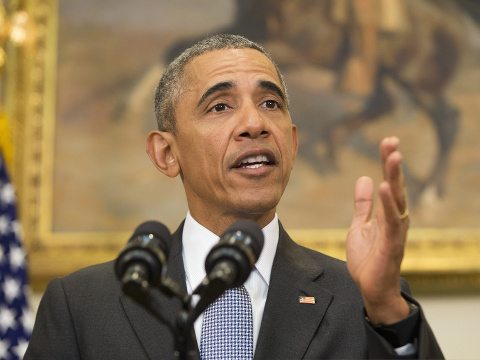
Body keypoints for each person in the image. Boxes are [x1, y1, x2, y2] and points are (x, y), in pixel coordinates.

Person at [25, 34, 443, 359]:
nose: (255, 124)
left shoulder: (365, 301)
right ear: (167, 153)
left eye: (270, 102)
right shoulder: (83, 306)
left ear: (292, 146)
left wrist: (388, 308)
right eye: (220, 106)